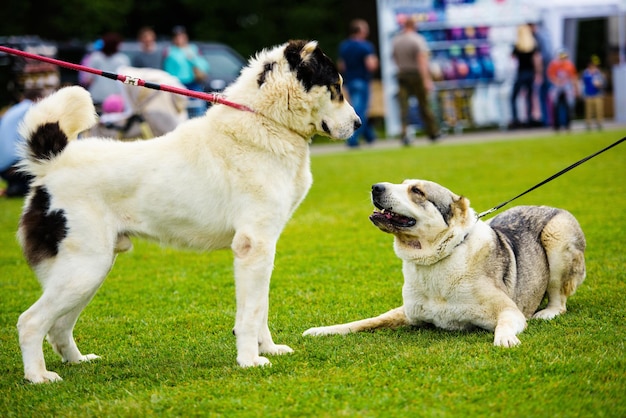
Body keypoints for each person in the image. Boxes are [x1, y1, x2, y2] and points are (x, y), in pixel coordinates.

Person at [392, 16, 440, 144]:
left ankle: (404, 133)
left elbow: (394, 58)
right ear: (414, 26)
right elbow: (422, 61)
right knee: (424, 105)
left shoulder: (396, 40)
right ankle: (433, 132)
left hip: (402, 74)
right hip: (417, 75)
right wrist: (427, 80)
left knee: (403, 107)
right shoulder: (417, 39)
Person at [338, 19, 379, 148]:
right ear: (360, 31)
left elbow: (341, 65)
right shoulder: (365, 46)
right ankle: (352, 139)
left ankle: (369, 136)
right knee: (360, 111)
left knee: (358, 108)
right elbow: (370, 65)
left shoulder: (344, 46)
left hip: (350, 81)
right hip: (362, 80)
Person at [0, 89, 43, 197]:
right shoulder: (32, 108)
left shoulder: (12, 110)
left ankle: (13, 188)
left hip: (3, 166)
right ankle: (14, 189)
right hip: (14, 165)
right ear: (38, 99)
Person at [163, 25, 210, 118]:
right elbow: (168, 69)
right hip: (178, 85)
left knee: (198, 110)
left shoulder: (193, 48)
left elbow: (204, 66)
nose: (179, 38)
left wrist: (191, 58)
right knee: (179, 111)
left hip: (194, 83)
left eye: (181, 35)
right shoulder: (170, 51)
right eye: (176, 36)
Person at [84, 32, 131, 110]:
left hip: (97, 96)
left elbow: (88, 79)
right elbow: (127, 81)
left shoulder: (95, 57)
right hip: (116, 98)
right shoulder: (123, 59)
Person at [509, 24, 542, 129]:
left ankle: (515, 119)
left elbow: (512, 58)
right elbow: (536, 61)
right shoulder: (533, 45)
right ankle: (529, 118)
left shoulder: (517, 46)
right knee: (529, 97)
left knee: (514, 96)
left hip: (521, 73)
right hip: (530, 73)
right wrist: (538, 73)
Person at [547, 48, 579, 132]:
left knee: (568, 106)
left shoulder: (569, 65)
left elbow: (573, 77)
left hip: (567, 88)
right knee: (555, 106)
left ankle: (567, 124)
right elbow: (551, 76)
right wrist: (557, 81)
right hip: (557, 87)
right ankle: (556, 125)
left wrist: (575, 88)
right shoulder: (554, 64)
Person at [529, 21, 553, 127]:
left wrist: (539, 72)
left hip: (545, 71)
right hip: (547, 69)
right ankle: (549, 119)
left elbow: (542, 56)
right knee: (546, 95)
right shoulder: (545, 35)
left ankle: (547, 120)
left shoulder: (538, 37)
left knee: (545, 95)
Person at [581, 55, 605, 131]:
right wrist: (583, 94)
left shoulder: (599, 73)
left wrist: (599, 84)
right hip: (588, 94)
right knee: (588, 111)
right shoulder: (585, 73)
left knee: (599, 110)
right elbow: (582, 84)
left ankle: (599, 123)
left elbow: (604, 83)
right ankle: (588, 124)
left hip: (597, 94)